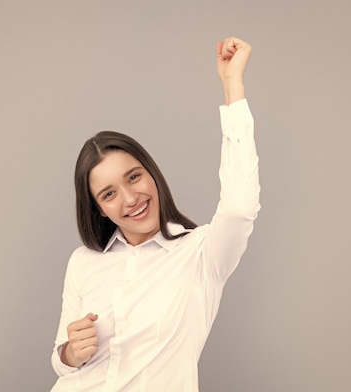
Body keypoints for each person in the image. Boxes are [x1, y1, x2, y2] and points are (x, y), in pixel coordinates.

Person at [50, 36, 260, 391]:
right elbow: (63, 363)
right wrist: (70, 353)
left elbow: (240, 207)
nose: (131, 198)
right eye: (109, 194)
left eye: (134, 177)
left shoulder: (201, 253)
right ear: (99, 209)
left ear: (151, 172)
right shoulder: (83, 262)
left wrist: (232, 85)